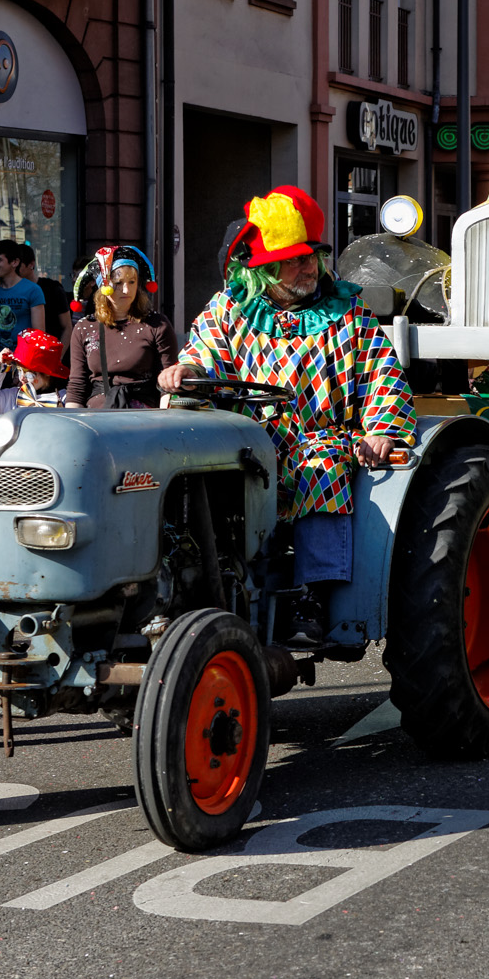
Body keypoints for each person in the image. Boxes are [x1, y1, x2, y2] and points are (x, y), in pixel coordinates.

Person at [160, 186, 416, 648]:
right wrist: (186, 370)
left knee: (319, 465)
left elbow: (384, 373)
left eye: (313, 257)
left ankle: (311, 597)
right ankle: (196, 581)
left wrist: (382, 430)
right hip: (249, 440)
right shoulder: (229, 310)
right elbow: (202, 357)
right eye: (296, 260)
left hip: (323, 438)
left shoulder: (348, 312)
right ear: (265, 270)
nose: (310, 267)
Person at [65, 246, 178, 409]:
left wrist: (162, 427)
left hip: (145, 419)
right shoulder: (84, 328)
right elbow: (77, 386)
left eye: (132, 282)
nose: (126, 290)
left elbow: (168, 384)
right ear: (103, 287)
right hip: (96, 419)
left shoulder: (157, 325)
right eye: (118, 283)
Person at [0, 239, 45, 371]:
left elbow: (38, 335)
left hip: (22, 364)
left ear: (14, 262)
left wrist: (29, 370)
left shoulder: (32, 290)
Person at [0, 330, 70, 415]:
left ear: (47, 374)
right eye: (19, 371)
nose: (21, 378)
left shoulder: (66, 400)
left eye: (28, 373)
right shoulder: (12, 398)